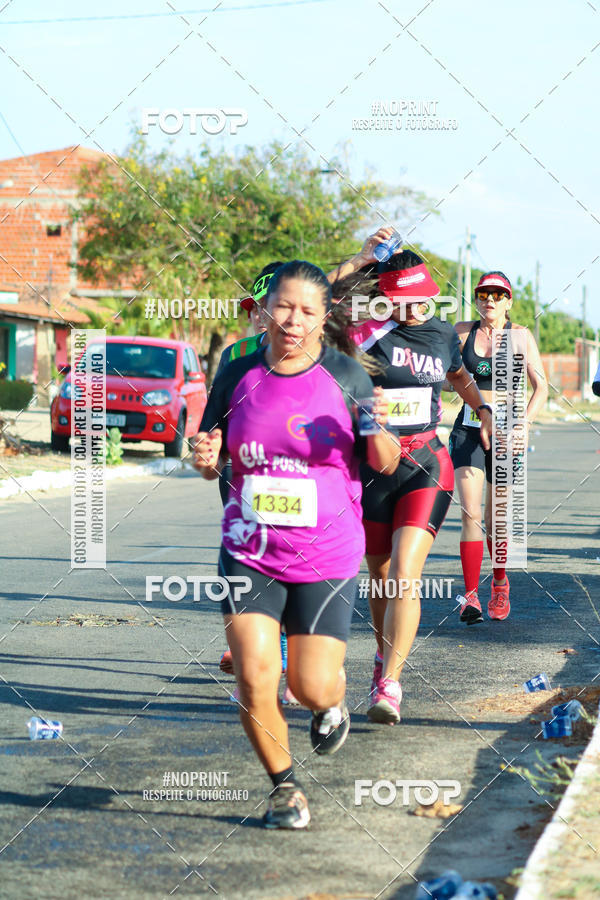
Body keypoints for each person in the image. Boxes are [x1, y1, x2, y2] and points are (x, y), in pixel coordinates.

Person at [193, 260, 400, 828]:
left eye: (308, 310)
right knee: (255, 677)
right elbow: (211, 454)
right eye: (284, 306)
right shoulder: (236, 375)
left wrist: (376, 427)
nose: (293, 319)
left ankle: (331, 702)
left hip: (326, 553)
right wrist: (204, 458)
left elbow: (383, 464)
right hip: (248, 550)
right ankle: (285, 789)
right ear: (265, 307)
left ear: (323, 316)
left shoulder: (347, 377)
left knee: (309, 686)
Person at [332, 245, 494, 725]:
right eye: (405, 299)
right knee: (380, 578)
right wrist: (360, 260)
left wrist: (482, 408)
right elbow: (317, 299)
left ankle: (390, 684)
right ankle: (383, 657)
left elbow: (459, 376)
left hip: (427, 461)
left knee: (405, 572)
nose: (416, 307)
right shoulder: (365, 332)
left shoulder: (445, 333)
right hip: (373, 467)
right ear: (385, 296)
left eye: (422, 297)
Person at [448, 271, 548, 623]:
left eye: (497, 294)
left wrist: (525, 423)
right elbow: (446, 378)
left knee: (497, 518)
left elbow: (541, 387)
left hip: (507, 435)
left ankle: (500, 583)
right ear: (476, 299)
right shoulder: (461, 333)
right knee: (471, 513)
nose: (489, 300)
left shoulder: (520, 336)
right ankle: (471, 596)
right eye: (483, 294)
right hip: (468, 431)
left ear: (508, 302)